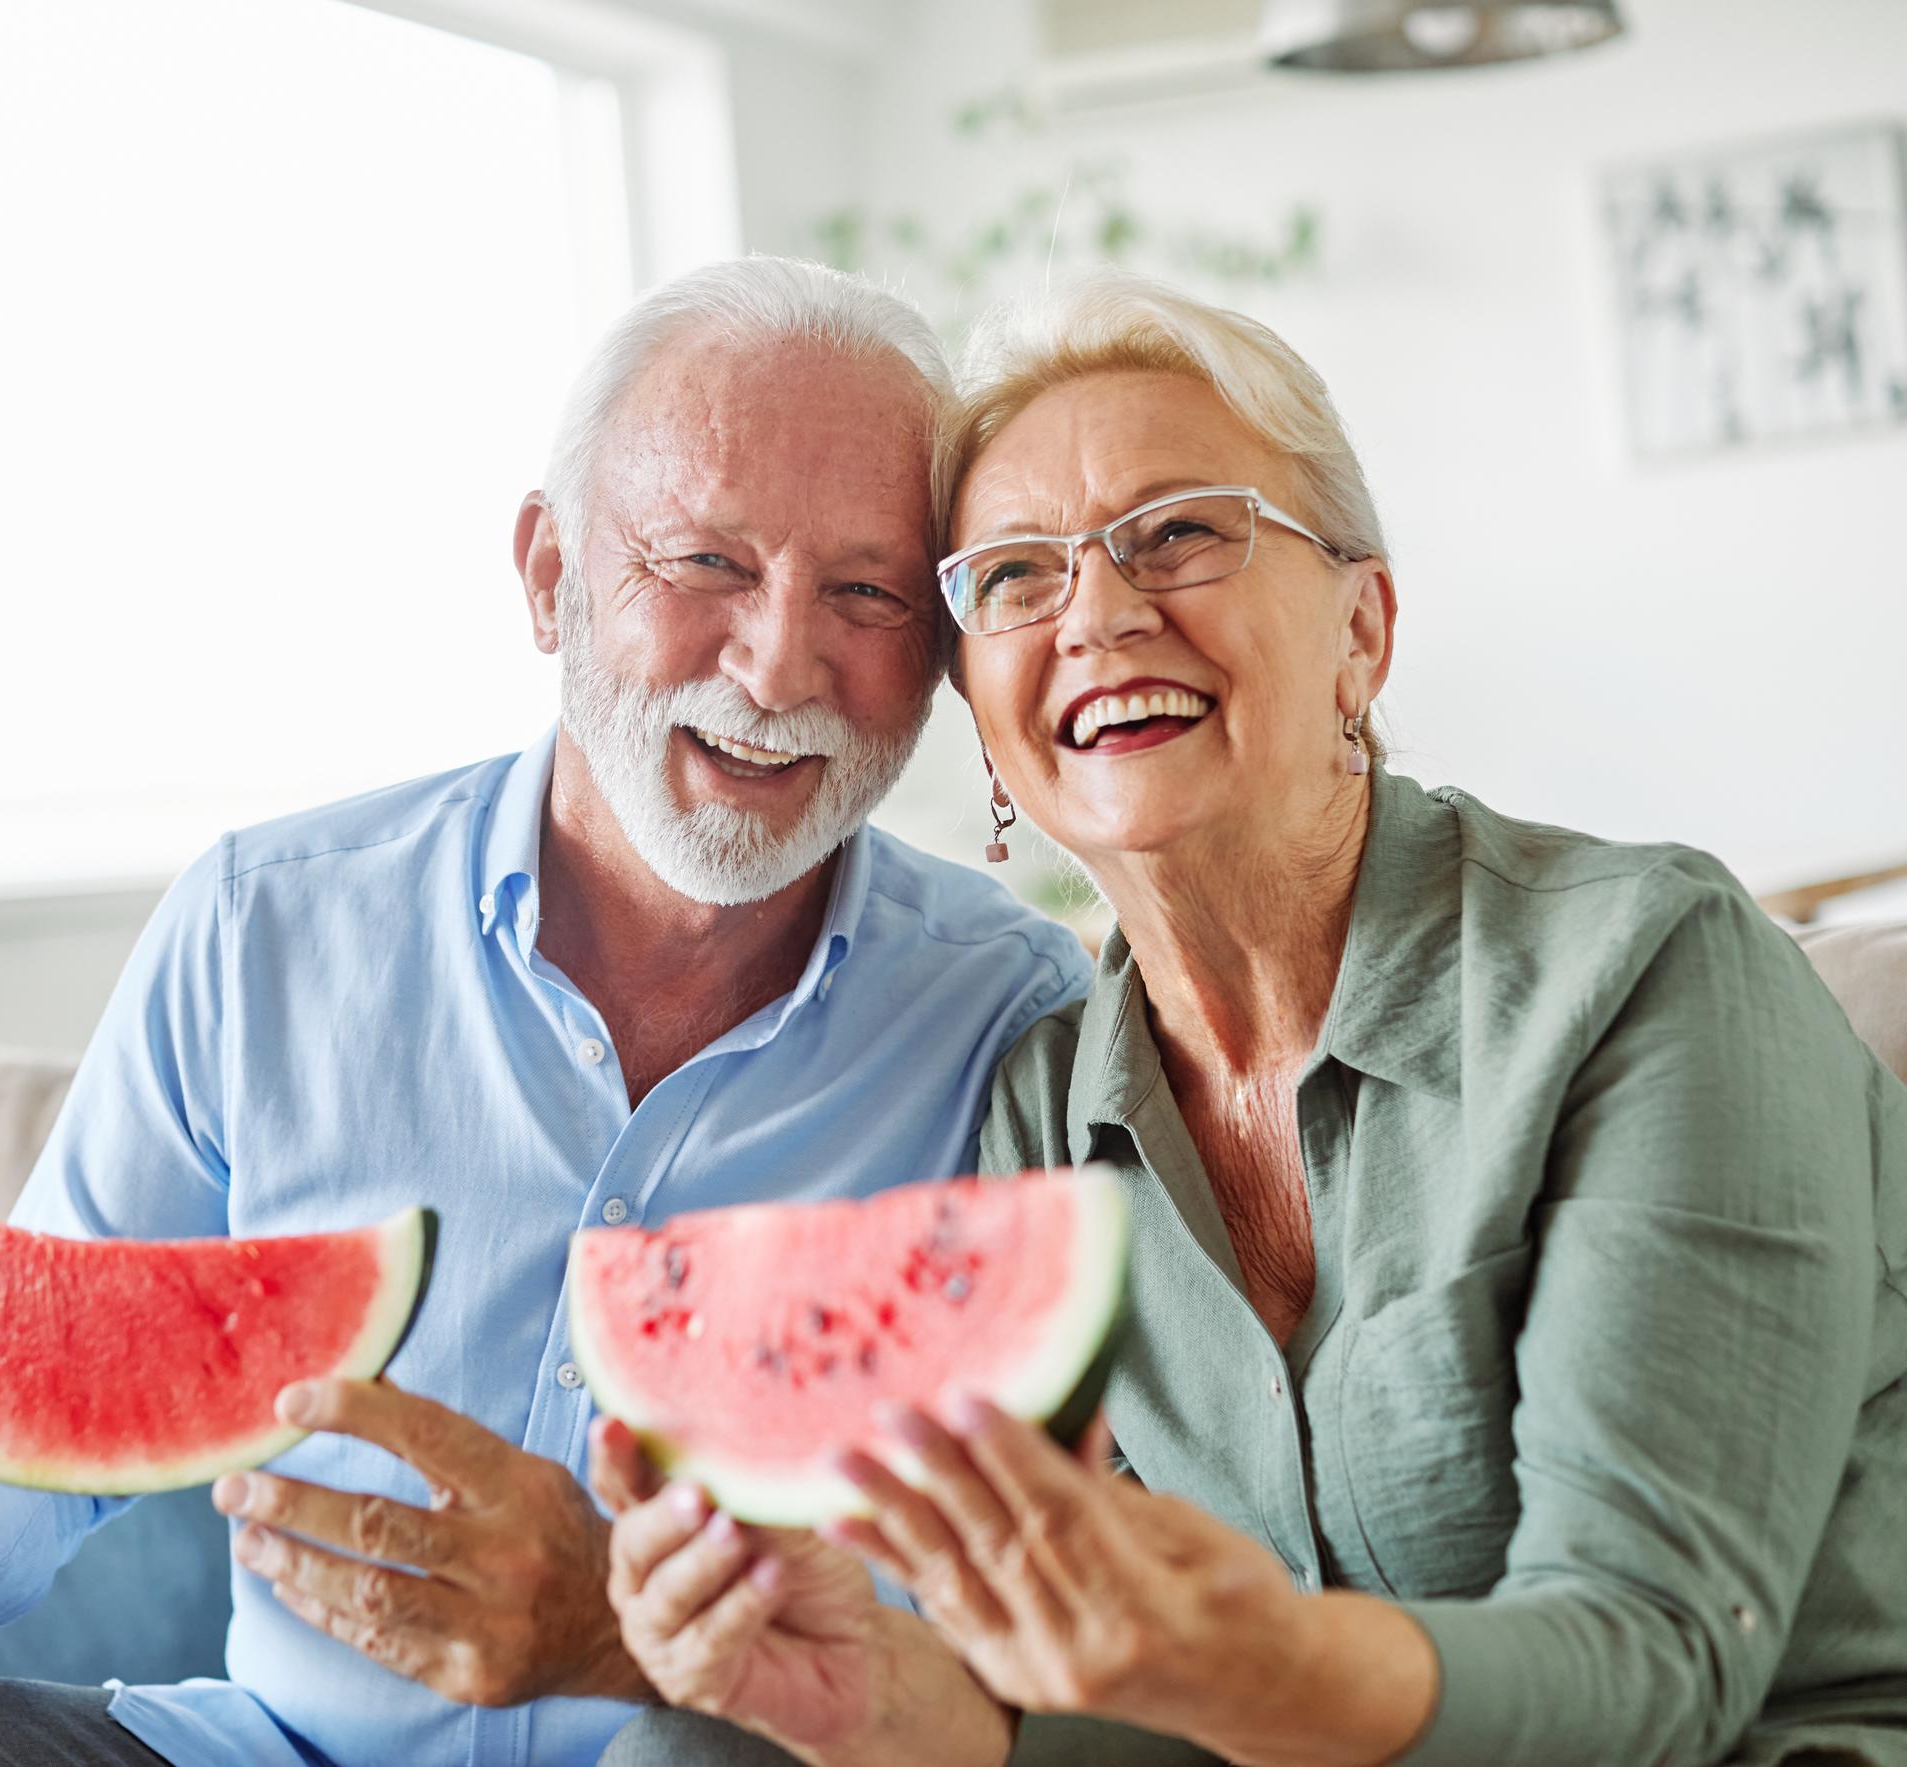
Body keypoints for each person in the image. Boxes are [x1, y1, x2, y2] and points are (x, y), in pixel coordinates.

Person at [0, 258, 1089, 1767]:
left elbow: (1033, 1620)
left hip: (718, 1749)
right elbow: (39, 1425)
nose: (780, 662)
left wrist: (638, 1635)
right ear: (549, 574)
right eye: (705, 563)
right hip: (266, 1748)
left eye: (864, 590)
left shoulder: (1017, 1024)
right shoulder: (267, 926)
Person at [600, 270, 1907, 1767]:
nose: (1096, 613)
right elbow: (1112, 1688)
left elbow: (1661, 1665)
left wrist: (1252, 1662)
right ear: (985, 719)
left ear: (1362, 628)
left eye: (1179, 534)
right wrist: (892, 1699)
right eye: (1016, 576)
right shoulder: (1041, 1110)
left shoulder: (1650, 973)